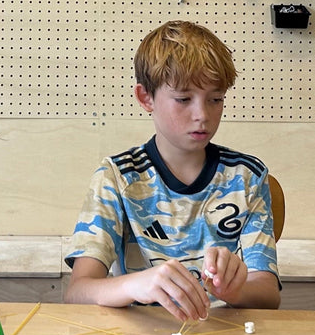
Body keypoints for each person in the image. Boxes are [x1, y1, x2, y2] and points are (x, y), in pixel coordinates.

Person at [64, 21, 280, 318]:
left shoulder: (247, 176)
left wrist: (234, 290)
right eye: (183, 99)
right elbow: (77, 292)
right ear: (145, 97)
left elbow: (268, 294)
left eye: (216, 99)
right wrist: (135, 285)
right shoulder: (117, 177)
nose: (202, 115)